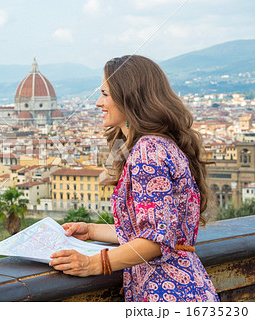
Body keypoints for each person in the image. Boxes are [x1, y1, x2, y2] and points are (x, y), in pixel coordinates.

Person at [49, 55, 220, 302]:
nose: (98, 103)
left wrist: (93, 264)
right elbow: (152, 230)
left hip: (166, 293)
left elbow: (154, 242)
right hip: (183, 288)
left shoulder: (148, 151)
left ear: (129, 97)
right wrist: (92, 230)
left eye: (105, 94)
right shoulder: (160, 144)